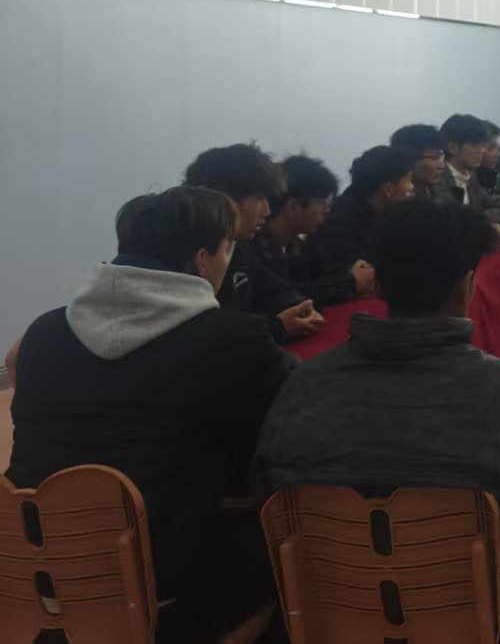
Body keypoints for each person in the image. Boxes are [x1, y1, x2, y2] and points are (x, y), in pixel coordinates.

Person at [253, 198, 500, 644]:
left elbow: (268, 500)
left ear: (377, 283)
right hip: (477, 625)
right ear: (467, 285)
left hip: (331, 623)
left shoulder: (304, 386)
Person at [7, 187, 290, 643]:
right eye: (228, 250)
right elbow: (278, 447)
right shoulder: (232, 338)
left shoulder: (44, 331)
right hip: (156, 588)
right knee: (295, 547)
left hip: (35, 571)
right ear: (202, 261)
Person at [184, 143, 322, 344]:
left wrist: (301, 308)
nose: (267, 211)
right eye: (259, 199)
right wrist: (276, 326)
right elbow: (206, 332)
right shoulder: (183, 256)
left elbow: (274, 289)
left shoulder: (239, 246)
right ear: (226, 200)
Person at [257, 153, 376, 306]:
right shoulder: (255, 250)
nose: (327, 210)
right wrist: (350, 283)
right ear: (294, 207)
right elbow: (283, 296)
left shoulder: (296, 246)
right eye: (322, 203)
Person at [302, 145, 416, 287]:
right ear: (388, 189)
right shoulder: (338, 225)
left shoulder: (381, 213)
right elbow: (365, 278)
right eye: (409, 180)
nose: (412, 188)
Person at [391, 123, 449, 194]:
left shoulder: (443, 193)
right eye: (434, 158)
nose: (441, 166)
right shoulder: (390, 196)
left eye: (440, 158)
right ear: (409, 159)